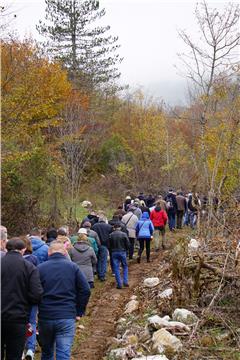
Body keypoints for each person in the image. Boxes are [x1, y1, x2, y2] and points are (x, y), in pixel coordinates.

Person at [37, 241, 91, 360]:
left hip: (46, 315)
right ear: (65, 252)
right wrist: (79, 311)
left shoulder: (40, 268)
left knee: (46, 352)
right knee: (63, 353)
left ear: (49, 252)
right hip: (66, 315)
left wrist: (38, 308)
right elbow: (85, 290)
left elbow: (34, 291)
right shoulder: (73, 267)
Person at [1, 238, 43, 360]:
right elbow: (36, 294)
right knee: (14, 354)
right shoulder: (29, 267)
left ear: (6, 247)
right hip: (18, 317)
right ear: (23, 250)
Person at [23, 237, 39, 360]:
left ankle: (22, 348)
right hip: (32, 296)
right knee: (32, 322)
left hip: (19, 297)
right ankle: (31, 348)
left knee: (21, 322)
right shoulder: (33, 259)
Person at [109, 223, 130, 289]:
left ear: (114, 228)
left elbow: (109, 245)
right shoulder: (124, 234)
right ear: (120, 228)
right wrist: (127, 251)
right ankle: (125, 281)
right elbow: (128, 244)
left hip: (114, 252)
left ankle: (119, 284)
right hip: (122, 252)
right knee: (125, 266)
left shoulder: (110, 235)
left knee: (116, 268)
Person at [92, 215, 112, 281]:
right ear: (105, 220)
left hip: (96, 245)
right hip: (104, 245)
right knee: (103, 260)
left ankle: (98, 273)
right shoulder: (109, 226)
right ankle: (102, 275)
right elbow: (110, 236)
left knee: (97, 260)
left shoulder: (94, 226)